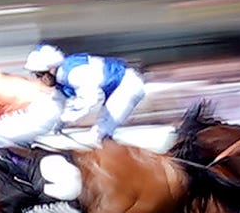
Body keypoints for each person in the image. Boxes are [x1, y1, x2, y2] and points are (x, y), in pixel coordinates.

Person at [20, 42, 150, 151]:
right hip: (117, 87)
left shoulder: (75, 74)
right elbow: (56, 106)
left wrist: (65, 119)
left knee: (99, 136)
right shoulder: (60, 78)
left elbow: (90, 100)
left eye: (39, 75)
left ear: (51, 69)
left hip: (128, 85)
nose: (38, 79)